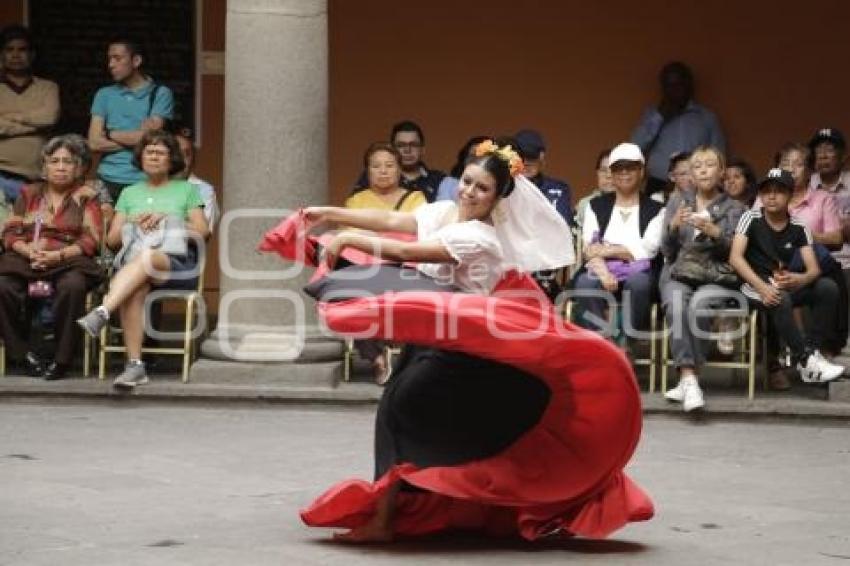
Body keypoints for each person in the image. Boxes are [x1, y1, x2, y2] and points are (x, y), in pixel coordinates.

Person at [261, 140, 651, 542]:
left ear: (497, 199)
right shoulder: (447, 211)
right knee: (401, 411)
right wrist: (330, 215)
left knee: (403, 411)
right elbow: (395, 222)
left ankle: (385, 518)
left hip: (475, 355)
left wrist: (348, 240)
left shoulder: (480, 237)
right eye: (467, 181)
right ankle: (397, 512)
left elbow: (404, 248)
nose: (469, 192)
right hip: (440, 338)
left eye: (482, 189)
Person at [76, 130, 208, 389]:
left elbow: (203, 232)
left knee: (146, 259)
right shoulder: (129, 193)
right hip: (137, 265)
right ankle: (135, 366)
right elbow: (112, 241)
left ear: (172, 159)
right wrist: (133, 222)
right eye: (149, 152)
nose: (154, 157)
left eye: (160, 152)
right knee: (134, 287)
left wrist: (169, 221)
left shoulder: (187, 191)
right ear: (140, 158)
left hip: (175, 265)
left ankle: (104, 310)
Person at [728, 168, 844, 385]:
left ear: (790, 195)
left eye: (779, 191)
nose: (771, 196)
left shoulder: (799, 227)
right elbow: (735, 258)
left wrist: (799, 279)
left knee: (827, 287)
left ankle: (811, 352)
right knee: (779, 298)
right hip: (750, 284)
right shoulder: (750, 218)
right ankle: (806, 360)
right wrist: (762, 288)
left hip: (782, 282)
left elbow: (813, 270)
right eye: (766, 191)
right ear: (761, 195)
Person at [0, 135, 103, 379]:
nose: (60, 167)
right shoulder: (29, 193)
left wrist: (57, 256)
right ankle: (21, 354)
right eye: (54, 161)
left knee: (73, 286)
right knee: (2, 286)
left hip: (67, 260)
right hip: (27, 258)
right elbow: (11, 231)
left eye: (68, 162)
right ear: (44, 166)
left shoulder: (86, 195)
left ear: (79, 168)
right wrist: (28, 250)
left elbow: (91, 239)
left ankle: (62, 359)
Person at [660, 146, 745, 412]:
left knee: (699, 305)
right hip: (681, 271)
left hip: (716, 275)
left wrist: (715, 233)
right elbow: (667, 251)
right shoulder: (678, 201)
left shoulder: (735, 208)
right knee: (676, 302)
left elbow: (736, 253)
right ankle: (689, 377)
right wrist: (673, 227)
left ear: (721, 171)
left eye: (710, 165)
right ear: (692, 175)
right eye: (698, 166)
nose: (704, 170)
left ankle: (688, 379)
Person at [574, 142, 664, 338]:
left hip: (641, 270)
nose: (624, 173)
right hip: (600, 268)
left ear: (641, 171)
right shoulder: (595, 206)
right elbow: (590, 248)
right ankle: (600, 342)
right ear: (612, 174)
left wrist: (608, 250)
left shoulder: (656, 209)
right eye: (618, 168)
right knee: (585, 283)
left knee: (639, 284)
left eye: (630, 167)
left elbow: (647, 250)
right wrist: (604, 273)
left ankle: (625, 342)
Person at [88, 38, 174, 203]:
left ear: (136, 61)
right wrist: (138, 139)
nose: (111, 64)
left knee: (142, 228)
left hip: (144, 179)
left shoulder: (160, 94)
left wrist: (110, 134)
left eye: (117, 58)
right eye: (109, 59)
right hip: (106, 178)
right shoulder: (104, 94)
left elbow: (151, 139)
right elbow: (94, 143)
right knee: (104, 228)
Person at [631, 61, 725, 195]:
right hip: (659, 184)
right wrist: (660, 116)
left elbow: (718, 156)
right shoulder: (652, 115)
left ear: (689, 85)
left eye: (678, 84)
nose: (673, 90)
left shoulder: (706, 118)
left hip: (697, 186)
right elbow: (636, 145)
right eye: (668, 85)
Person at [0, 25, 60, 205]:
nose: (16, 55)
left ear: (32, 55)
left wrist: (9, 118)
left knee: (30, 232)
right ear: (1, 55)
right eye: (10, 50)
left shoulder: (48, 87)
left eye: (22, 50)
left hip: (35, 180)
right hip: (0, 176)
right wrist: (35, 127)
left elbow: (49, 117)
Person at [352, 121, 445, 202]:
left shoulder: (439, 180)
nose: (407, 150)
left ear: (422, 149)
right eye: (401, 145)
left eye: (413, 145)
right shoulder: (376, 175)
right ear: (392, 149)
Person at [513, 129, 575, 226]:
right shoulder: (502, 189)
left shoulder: (558, 190)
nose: (526, 163)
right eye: (521, 158)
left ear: (541, 157)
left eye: (531, 157)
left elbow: (562, 226)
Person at [345, 143, 427, 214]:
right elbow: (350, 231)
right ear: (367, 171)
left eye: (389, 165)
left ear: (399, 170)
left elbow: (421, 228)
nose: (383, 171)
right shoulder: (356, 201)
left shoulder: (415, 199)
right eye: (376, 166)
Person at [174, 127, 219, 231]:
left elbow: (203, 234)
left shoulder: (204, 190)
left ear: (192, 160)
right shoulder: (148, 187)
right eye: (175, 154)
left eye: (186, 154)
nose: (180, 160)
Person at [434, 135, 489, 202]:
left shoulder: (498, 187)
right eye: (472, 156)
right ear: (464, 159)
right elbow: (443, 210)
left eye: (481, 157)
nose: (476, 161)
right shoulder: (449, 184)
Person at [574, 148, 613, 232]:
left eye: (613, 170)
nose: (608, 176)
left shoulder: (635, 203)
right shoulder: (585, 204)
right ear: (597, 173)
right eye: (603, 170)